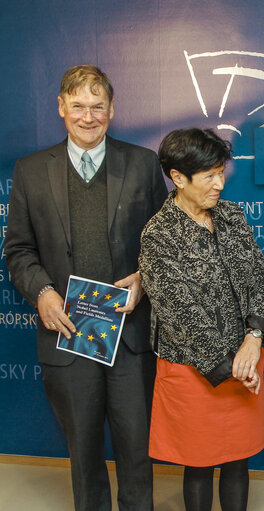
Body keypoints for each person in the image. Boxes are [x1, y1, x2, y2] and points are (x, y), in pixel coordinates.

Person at [5, 64, 166, 510]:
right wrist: (42, 292)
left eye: (98, 106)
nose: (88, 116)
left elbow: (165, 243)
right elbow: (17, 251)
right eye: (78, 106)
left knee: (137, 451)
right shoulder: (31, 171)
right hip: (68, 335)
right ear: (61, 108)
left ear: (112, 109)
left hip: (129, 338)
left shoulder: (143, 164)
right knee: (84, 454)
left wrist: (145, 278)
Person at [139, 128, 264, 511]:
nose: (219, 183)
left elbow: (259, 281)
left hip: (246, 358)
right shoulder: (158, 234)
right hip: (194, 371)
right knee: (198, 464)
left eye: (221, 171)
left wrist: (253, 339)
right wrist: (231, 366)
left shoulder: (231, 214)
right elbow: (180, 314)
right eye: (209, 175)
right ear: (178, 178)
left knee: (238, 457)